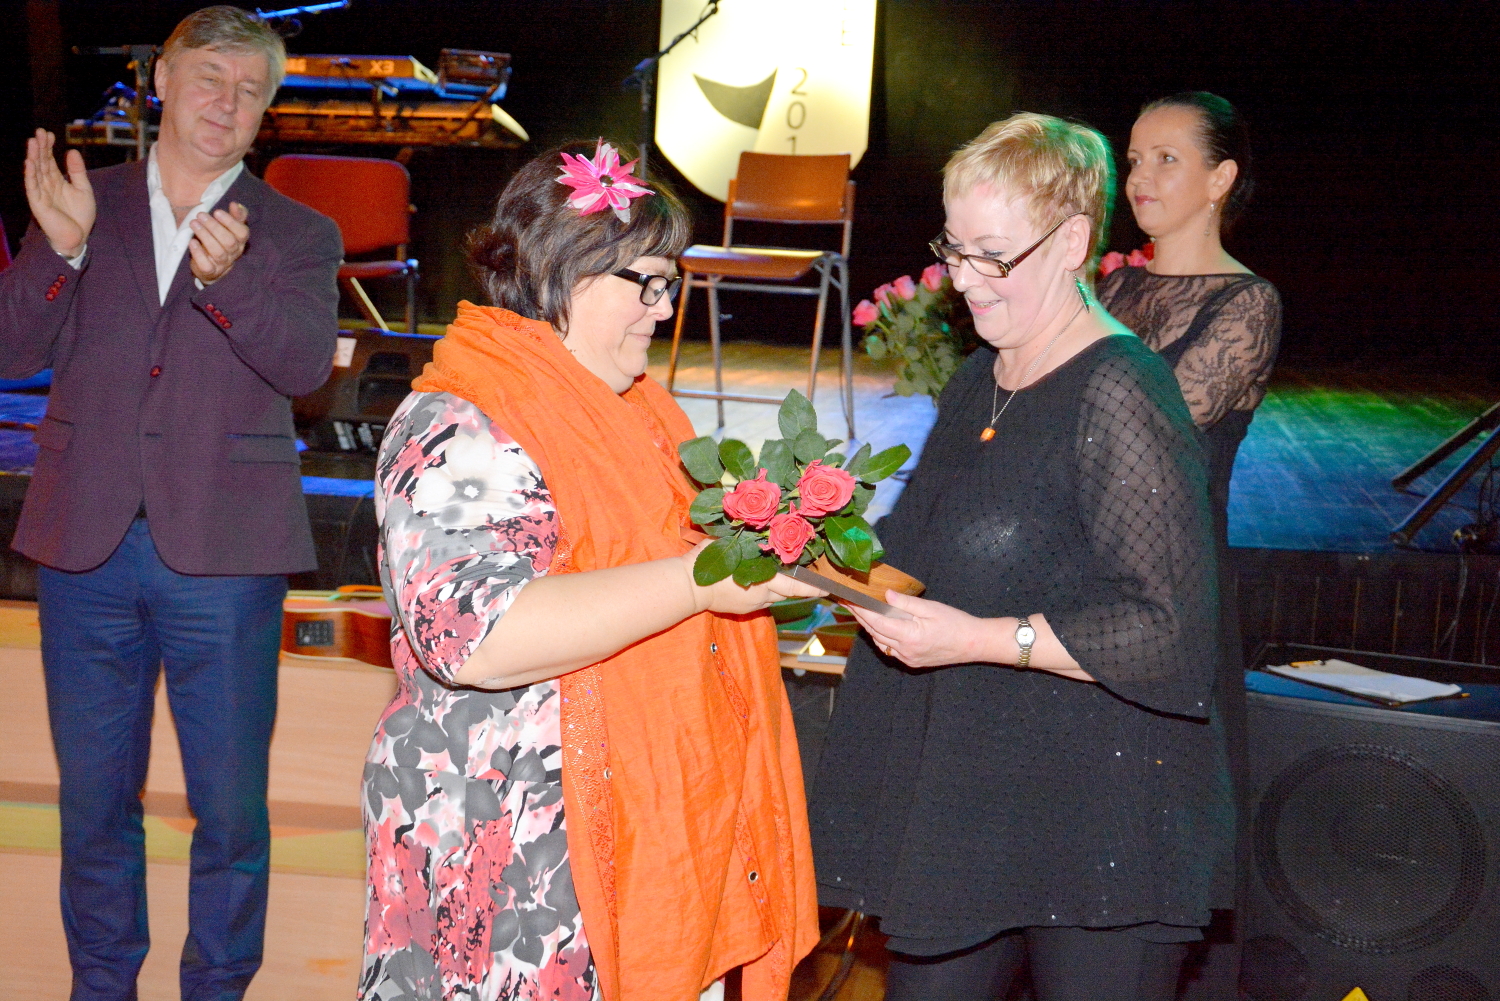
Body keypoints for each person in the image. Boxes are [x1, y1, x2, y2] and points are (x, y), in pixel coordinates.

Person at [359, 140, 823, 1001]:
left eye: (669, 283)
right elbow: (474, 640)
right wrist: (699, 580)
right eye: (646, 283)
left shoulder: (639, 408)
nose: (664, 306)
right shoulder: (461, 418)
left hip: (637, 834)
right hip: (510, 848)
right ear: (561, 272)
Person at [807, 113, 1231, 1000]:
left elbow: (1167, 633)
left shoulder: (1121, 388)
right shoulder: (981, 376)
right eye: (954, 249)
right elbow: (923, 553)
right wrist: (810, 546)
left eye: (992, 255)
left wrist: (976, 638)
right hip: (976, 799)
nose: (963, 278)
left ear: (1072, 241)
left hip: (1104, 821)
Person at [0, 7, 342, 999]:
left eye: (250, 90)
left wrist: (228, 283)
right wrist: (59, 254)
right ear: (161, 81)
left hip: (226, 556)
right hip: (86, 548)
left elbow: (305, 368)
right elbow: (12, 352)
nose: (226, 104)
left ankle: (216, 988)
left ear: (267, 110)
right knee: (92, 805)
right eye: (209, 79)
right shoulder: (83, 201)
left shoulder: (298, 231)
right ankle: (101, 983)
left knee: (229, 814)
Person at [1096, 91, 1283, 994]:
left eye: (1166, 158)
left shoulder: (1248, 302)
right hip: (1078, 578)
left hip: (1167, 593)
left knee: (1156, 830)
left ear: (1220, 178)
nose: (1140, 176)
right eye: (1134, 159)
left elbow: (1146, 425)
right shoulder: (1106, 288)